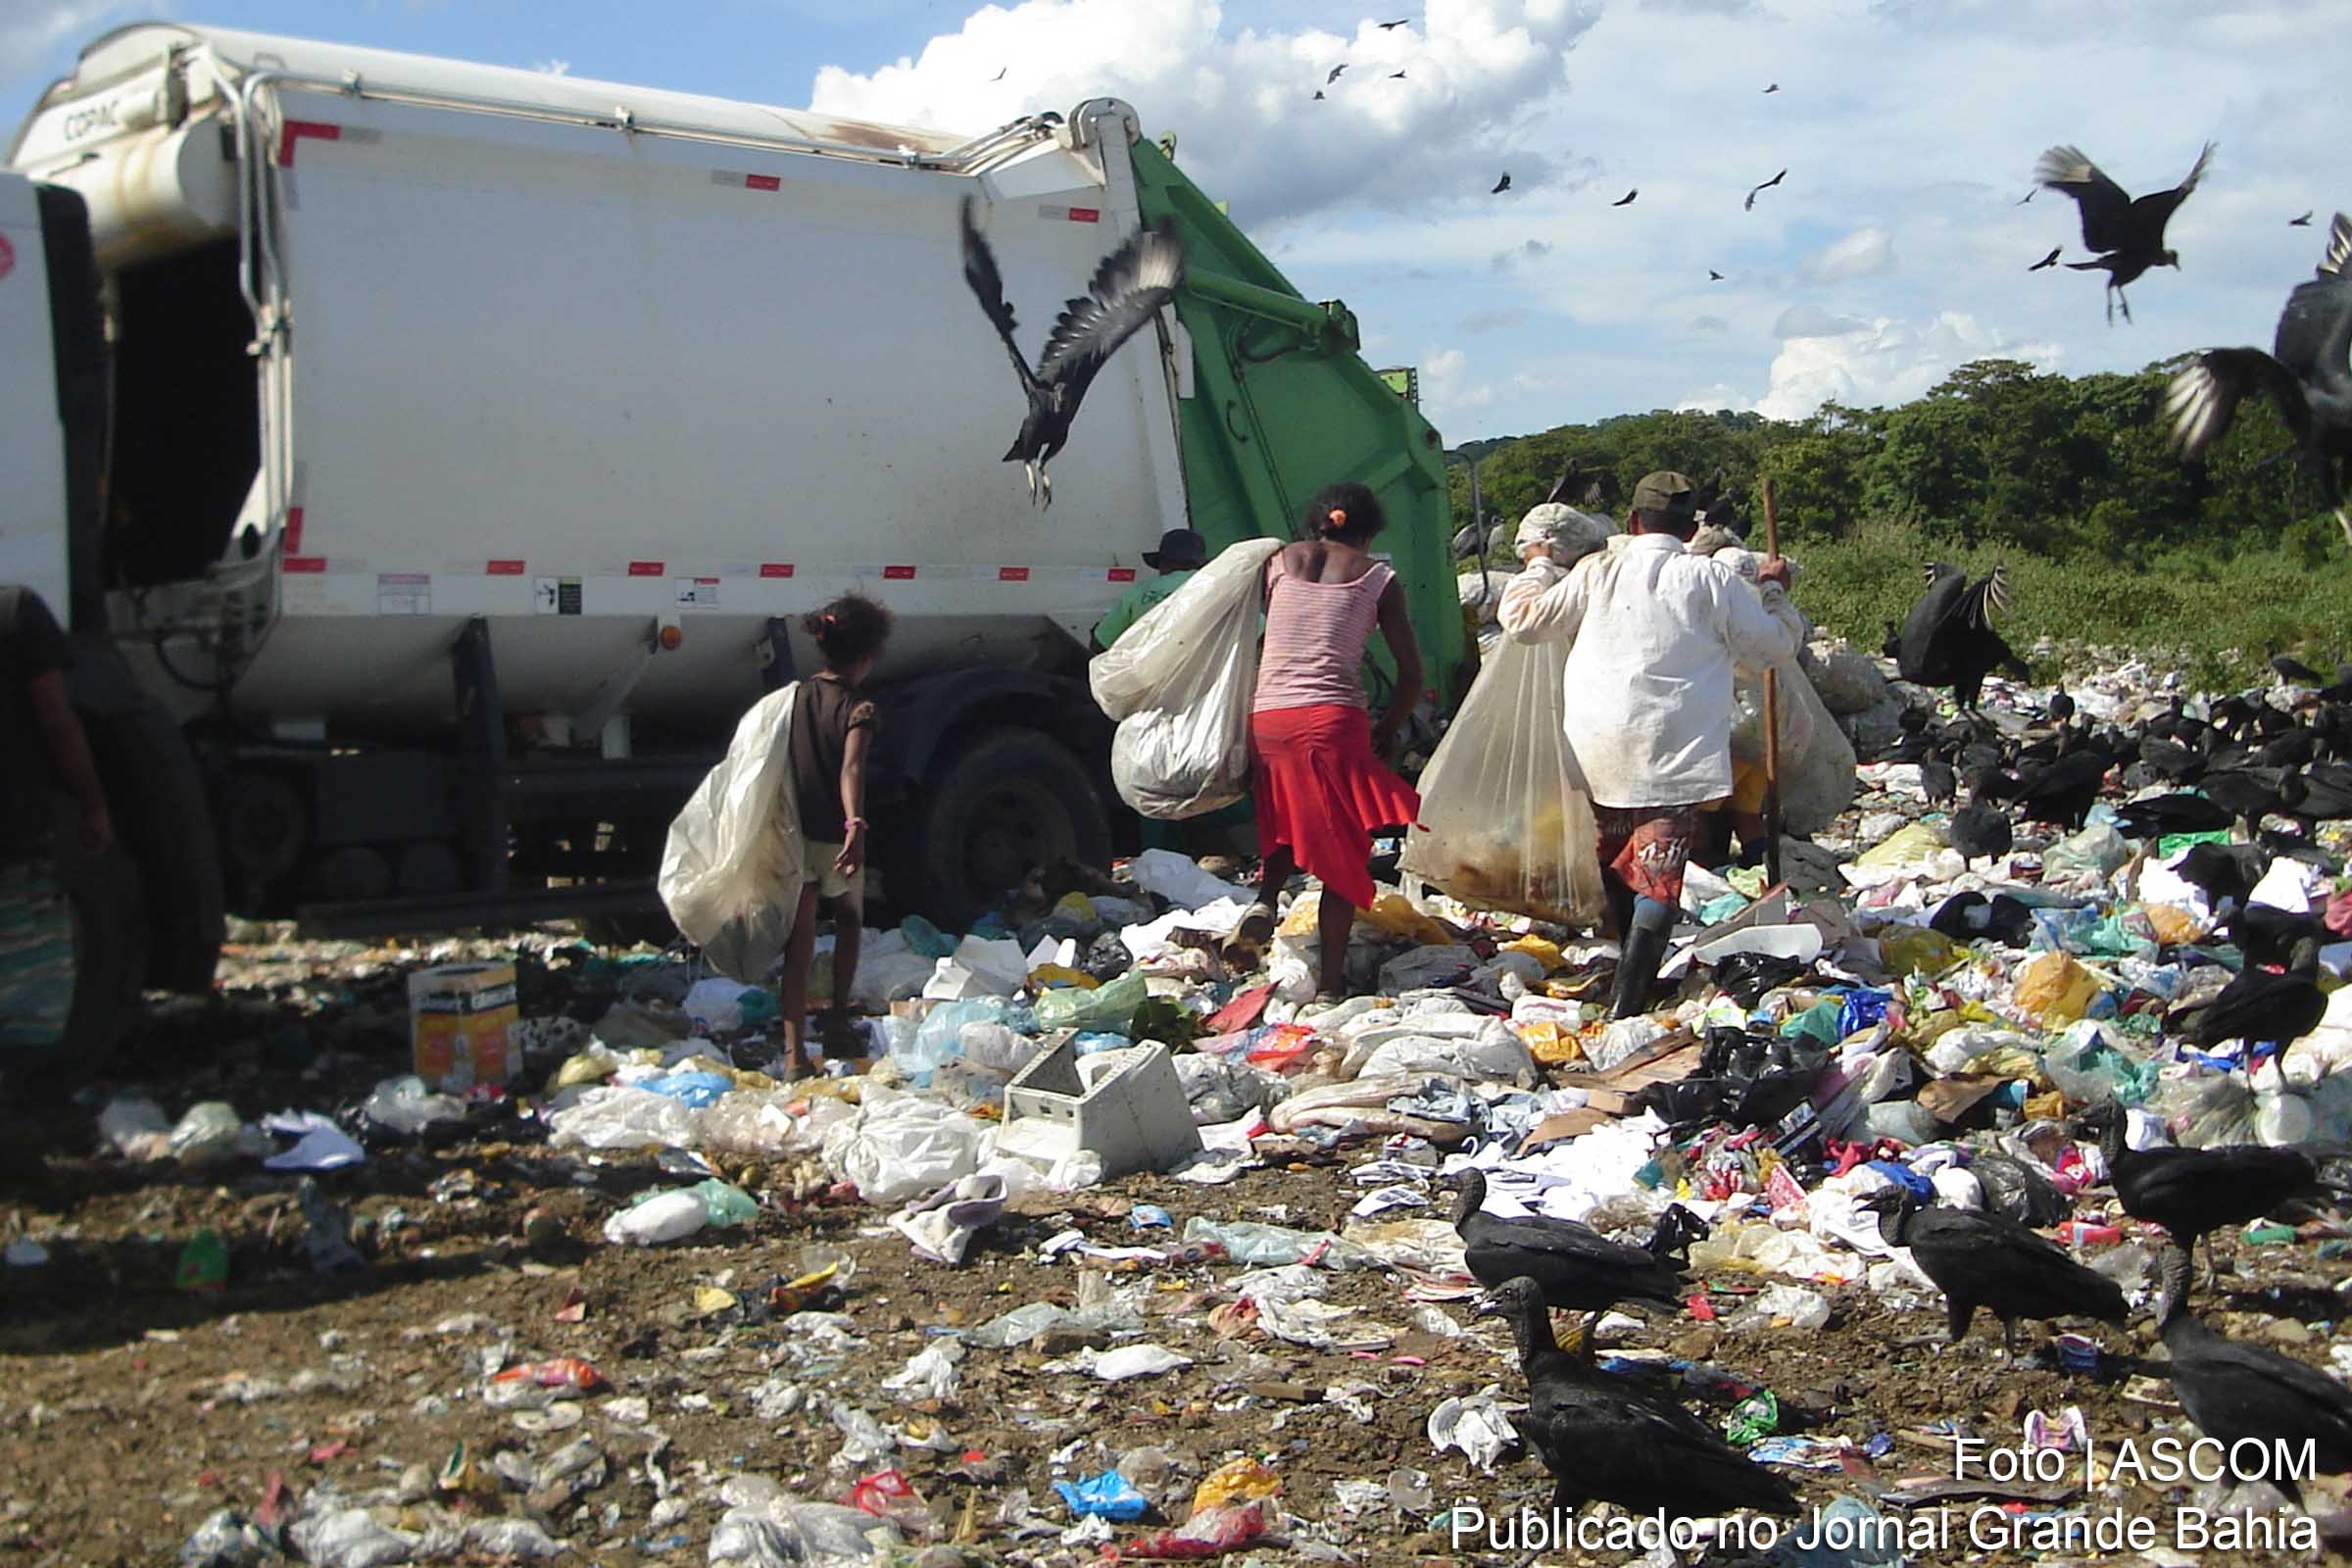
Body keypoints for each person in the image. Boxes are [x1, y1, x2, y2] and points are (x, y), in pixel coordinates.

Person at [1497, 470, 1801, 1019]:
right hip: (1673, 751)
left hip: (1597, 746)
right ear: (1688, 529)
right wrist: (1775, 589)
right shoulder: (1713, 579)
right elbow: (1774, 648)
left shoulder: (1597, 571)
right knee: (1658, 876)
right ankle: (1628, 1002)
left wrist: (1538, 563)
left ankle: (1622, 966)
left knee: (1617, 856)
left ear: (1634, 523)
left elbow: (1523, 622)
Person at [1227, 482, 1423, 998]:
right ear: (1369, 531)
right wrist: (1387, 727)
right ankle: (1331, 986)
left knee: (1284, 813)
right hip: (1331, 720)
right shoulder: (1378, 577)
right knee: (1341, 848)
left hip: (1266, 716)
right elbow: (1410, 677)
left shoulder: (1274, 563)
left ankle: (1265, 899)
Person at [776, 593, 891, 1078]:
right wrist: (854, 825)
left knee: (798, 944)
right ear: (867, 657)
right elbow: (851, 769)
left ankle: (794, 1056)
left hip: (795, 833)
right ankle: (838, 1024)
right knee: (848, 919)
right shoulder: (859, 708)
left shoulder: (794, 698)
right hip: (834, 837)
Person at [2, 583, 111, 1053]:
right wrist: (93, 805)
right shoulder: (15, 610)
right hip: (13, 841)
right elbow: (55, 719)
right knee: (30, 1003)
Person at [1090, 528, 1207, 654]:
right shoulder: (1214, 584)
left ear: (1162, 562)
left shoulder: (1139, 592)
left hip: (1151, 671)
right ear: (1199, 563)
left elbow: (1099, 644)